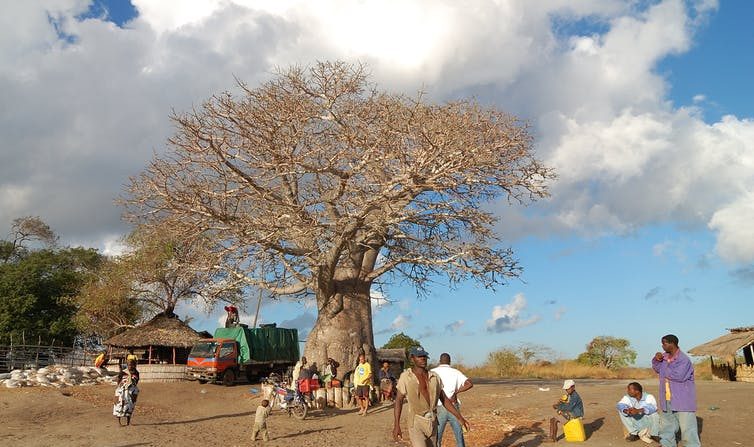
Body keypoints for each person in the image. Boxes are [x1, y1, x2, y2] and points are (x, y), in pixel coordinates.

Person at [393, 347, 470, 447]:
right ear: (412, 359)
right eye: (419, 356)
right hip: (416, 421)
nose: (423, 359)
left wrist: (460, 418)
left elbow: (444, 399)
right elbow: (398, 400)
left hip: (432, 421)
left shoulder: (434, 377)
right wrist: (396, 425)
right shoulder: (406, 377)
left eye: (424, 356)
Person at [652, 334, 701, 447]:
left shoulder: (684, 360)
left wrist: (665, 365)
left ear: (672, 344)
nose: (662, 346)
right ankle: (667, 444)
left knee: (687, 427)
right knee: (666, 425)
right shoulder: (664, 357)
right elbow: (657, 369)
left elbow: (678, 376)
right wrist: (656, 359)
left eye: (664, 343)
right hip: (666, 397)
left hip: (682, 399)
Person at [431, 353, 474, 447]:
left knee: (437, 437)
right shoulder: (455, 372)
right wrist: (456, 392)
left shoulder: (432, 372)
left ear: (439, 361)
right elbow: (469, 384)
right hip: (453, 405)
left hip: (438, 406)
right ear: (449, 361)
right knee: (459, 436)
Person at [113, 360, 140, 426]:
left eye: (132, 365)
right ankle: (119, 422)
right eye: (129, 365)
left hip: (131, 391)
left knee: (130, 405)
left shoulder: (136, 372)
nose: (130, 366)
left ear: (134, 365)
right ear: (127, 365)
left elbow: (136, 381)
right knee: (120, 405)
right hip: (122, 391)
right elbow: (119, 380)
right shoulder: (123, 372)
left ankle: (128, 422)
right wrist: (121, 387)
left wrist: (132, 387)